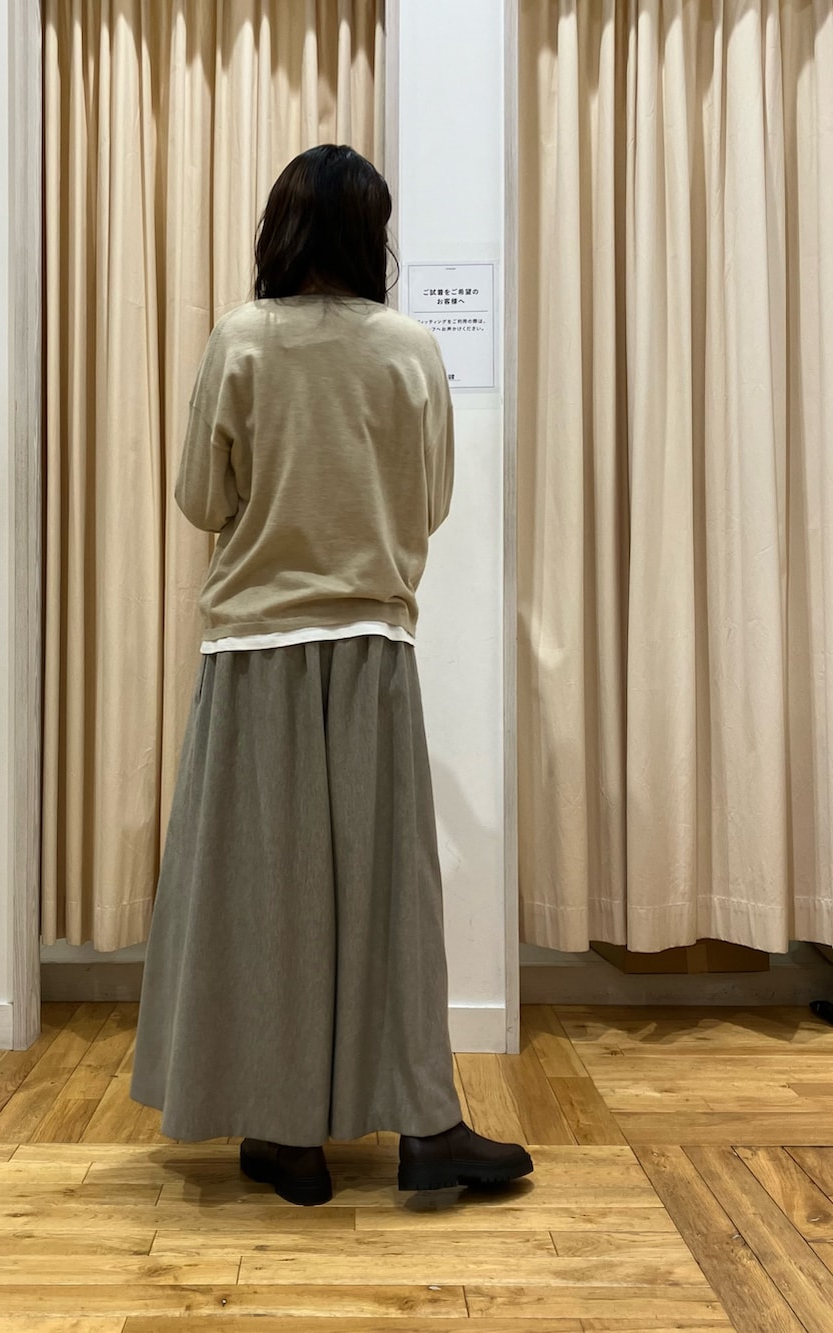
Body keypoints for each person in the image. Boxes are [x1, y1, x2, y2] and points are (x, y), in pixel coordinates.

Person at [130, 143, 533, 1206]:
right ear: (372, 234)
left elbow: (198, 497)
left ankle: (286, 1135)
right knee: (390, 899)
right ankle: (425, 1124)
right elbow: (430, 501)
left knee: (265, 895)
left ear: (281, 227)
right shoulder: (409, 348)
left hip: (254, 651)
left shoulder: (240, 339)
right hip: (371, 646)